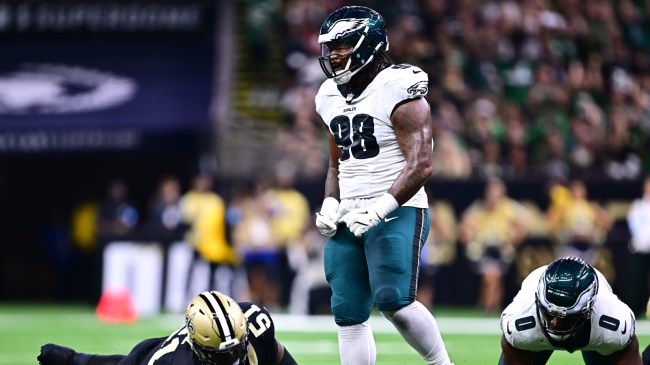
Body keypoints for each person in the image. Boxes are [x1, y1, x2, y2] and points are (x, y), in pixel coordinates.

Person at [313, 6, 453, 365]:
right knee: (347, 310)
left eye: (342, 45)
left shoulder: (398, 87)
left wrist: (378, 209)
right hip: (350, 211)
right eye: (331, 47)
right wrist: (331, 202)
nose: (334, 55)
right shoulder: (329, 95)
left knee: (395, 301)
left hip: (398, 208)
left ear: (368, 43)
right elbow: (337, 163)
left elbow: (421, 164)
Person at [37, 290, 298, 365]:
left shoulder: (256, 322)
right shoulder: (171, 361)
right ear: (200, 350)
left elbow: (277, 356)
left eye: (235, 351)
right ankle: (71, 359)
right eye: (222, 357)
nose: (233, 361)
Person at [499, 256, 641, 365]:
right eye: (549, 314)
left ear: (587, 311)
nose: (554, 323)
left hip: (594, 332)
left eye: (565, 318)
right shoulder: (520, 322)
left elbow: (627, 352)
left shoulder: (612, 324)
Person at [627, 176, 650, 315]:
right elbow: (633, 226)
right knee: (638, 282)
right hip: (641, 250)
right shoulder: (637, 206)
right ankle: (636, 310)